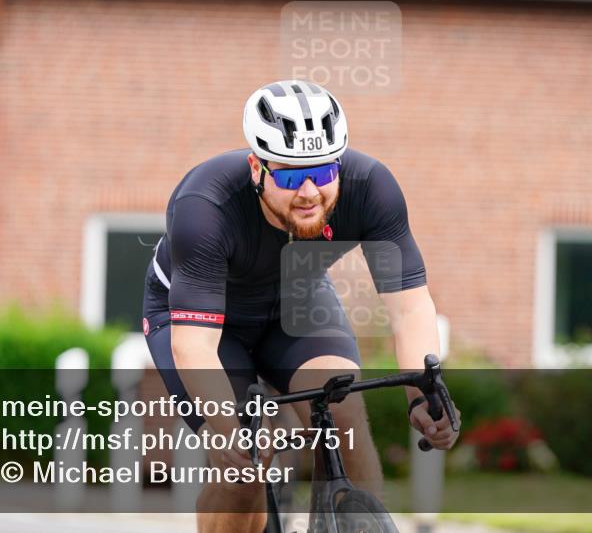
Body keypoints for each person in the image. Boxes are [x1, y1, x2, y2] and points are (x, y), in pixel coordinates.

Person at [142, 80, 459, 533]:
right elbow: (195, 346)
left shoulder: (371, 187)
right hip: (204, 324)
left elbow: (409, 309)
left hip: (296, 299)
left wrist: (423, 395)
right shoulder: (205, 204)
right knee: (246, 462)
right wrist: (225, 429)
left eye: (324, 173)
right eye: (290, 177)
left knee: (343, 410)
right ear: (256, 168)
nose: (309, 192)